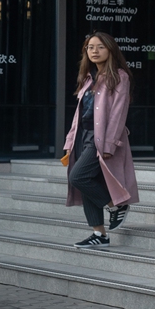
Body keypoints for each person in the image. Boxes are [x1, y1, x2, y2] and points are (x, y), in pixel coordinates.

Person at [63, 31, 138, 248]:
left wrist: (109, 144)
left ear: (110, 50)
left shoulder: (119, 76)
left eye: (100, 47)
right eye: (90, 47)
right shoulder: (87, 78)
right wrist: (69, 143)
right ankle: (99, 234)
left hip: (101, 138)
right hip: (82, 137)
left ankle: (116, 206)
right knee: (87, 181)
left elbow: (118, 113)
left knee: (78, 177)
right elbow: (78, 115)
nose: (94, 51)